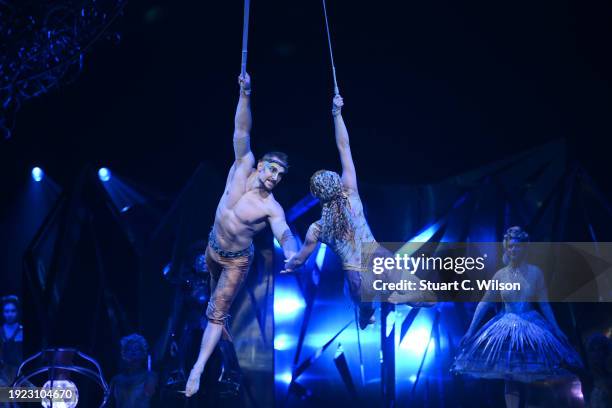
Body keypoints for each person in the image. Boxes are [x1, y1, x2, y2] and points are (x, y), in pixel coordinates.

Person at [185, 72, 297, 397]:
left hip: (236, 262)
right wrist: (245, 94)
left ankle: (198, 368)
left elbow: (284, 233)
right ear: (261, 165)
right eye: (272, 169)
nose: (276, 177)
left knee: (217, 313)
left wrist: (290, 252)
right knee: (213, 310)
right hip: (212, 248)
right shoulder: (241, 165)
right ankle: (223, 353)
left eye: (281, 174)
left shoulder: (271, 208)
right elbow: (242, 129)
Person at [284, 95, 433, 330]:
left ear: (316, 196)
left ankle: (366, 313)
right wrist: (336, 113)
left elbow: (302, 258)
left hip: (357, 278)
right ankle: (404, 298)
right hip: (377, 257)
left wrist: (291, 263)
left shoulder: (318, 228)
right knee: (426, 299)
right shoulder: (350, 193)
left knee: (364, 311)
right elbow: (344, 145)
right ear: (337, 183)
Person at [451, 226, 583, 408]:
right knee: (510, 375)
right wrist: (470, 330)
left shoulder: (535, 273)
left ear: (525, 247)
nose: (513, 250)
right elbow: (485, 302)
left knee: (530, 374)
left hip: (531, 327)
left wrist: (557, 328)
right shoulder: (500, 275)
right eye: (510, 246)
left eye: (517, 246)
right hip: (505, 328)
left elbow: (544, 303)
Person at [109, 334, 158, 408]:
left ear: (143, 353)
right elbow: (108, 403)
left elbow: (152, 398)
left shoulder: (150, 376)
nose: (133, 352)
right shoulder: (116, 380)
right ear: (123, 354)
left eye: (137, 349)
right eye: (129, 349)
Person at [0, 295, 23, 387]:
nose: (10, 314)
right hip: (3, 376)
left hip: (21, 374)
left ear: (17, 312)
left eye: (13, 311)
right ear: (2, 313)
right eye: (6, 311)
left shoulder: (23, 331)